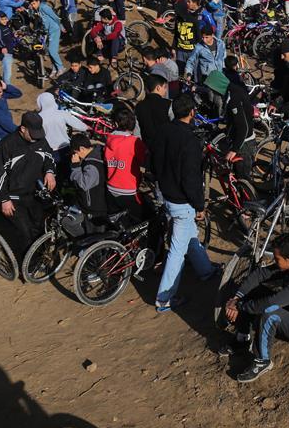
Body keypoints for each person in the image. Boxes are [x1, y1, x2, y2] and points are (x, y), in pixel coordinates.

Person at [220, 234, 289, 383]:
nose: (274, 262)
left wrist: (239, 306)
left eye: (277, 259)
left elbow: (270, 303)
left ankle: (263, 361)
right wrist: (237, 298)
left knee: (269, 313)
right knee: (252, 294)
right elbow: (260, 274)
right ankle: (243, 338)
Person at [151, 94, 219, 312]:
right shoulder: (189, 141)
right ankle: (164, 298)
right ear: (192, 113)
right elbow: (191, 179)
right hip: (182, 202)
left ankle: (206, 270)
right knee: (177, 251)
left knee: (190, 236)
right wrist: (200, 205)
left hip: (167, 194)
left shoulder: (162, 131)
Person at [0, 111, 57, 258]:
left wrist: (50, 172)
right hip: (14, 197)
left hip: (35, 194)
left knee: (39, 227)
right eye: (33, 135)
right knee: (25, 233)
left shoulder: (40, 139)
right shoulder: (7, 145)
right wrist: (4, 199)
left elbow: (49, 157)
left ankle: (39, 258)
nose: (36, 139)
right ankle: (27, 265)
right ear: (23, 129)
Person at [203, 70, 254, 180]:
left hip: (244, 142)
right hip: (239, 138)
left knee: (243, 179)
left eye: (212, 89)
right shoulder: (232, 90)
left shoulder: (233, 98)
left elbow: (242, 127)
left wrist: (234, 150)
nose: (212, 92)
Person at [105, 108, 147, 222]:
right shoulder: (134, 142)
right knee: (138, 221)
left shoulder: (109, 139)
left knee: (118, 222)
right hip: (128, 190)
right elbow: (144, 160)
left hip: (111, 188)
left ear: (116, 123)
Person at [68, 133, 108, 232]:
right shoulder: (98, 152)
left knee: (95, 238)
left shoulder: (92, 164)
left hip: (95, 208)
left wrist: (75, 166)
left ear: (82, 149)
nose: (75, 155)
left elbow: (84, 184)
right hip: (99, 205)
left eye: (75, 152)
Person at [36, 91, 88, 165]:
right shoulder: (62, 113)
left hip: (49, 151)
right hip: (66, 148)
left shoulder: (38, 118)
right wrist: (86, 127)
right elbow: (78, 125)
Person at [30, 0, 65, 76]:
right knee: (49, 51)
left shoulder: (44, 7)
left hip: (54, 30)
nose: (33, 6)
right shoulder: (38, 9)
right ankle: (54, 68)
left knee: (52, 51)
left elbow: (55, 17)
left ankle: (61, 67)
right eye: (31, 4)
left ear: (38, 1)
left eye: (34, 3)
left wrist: (61, 26)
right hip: (48, 32)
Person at [0, 13, 18, 85]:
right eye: (2, 19)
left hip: (10, 51)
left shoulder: (7, 26)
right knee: (8, 72)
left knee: (6, 70)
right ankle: (8, 87)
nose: (4, 21)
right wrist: (3, 47)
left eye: (5, 19)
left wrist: (14, 35)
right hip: (5, 52)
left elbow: (10, 35)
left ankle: (4, 85)